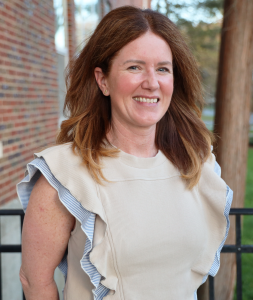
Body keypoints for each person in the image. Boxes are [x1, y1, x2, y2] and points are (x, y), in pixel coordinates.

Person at [17, 6, 233, 300]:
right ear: (102, 80)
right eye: (134, 67)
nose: (151, 82)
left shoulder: (198, 162)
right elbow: (34, 281)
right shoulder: (63, 173)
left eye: (162, 69)